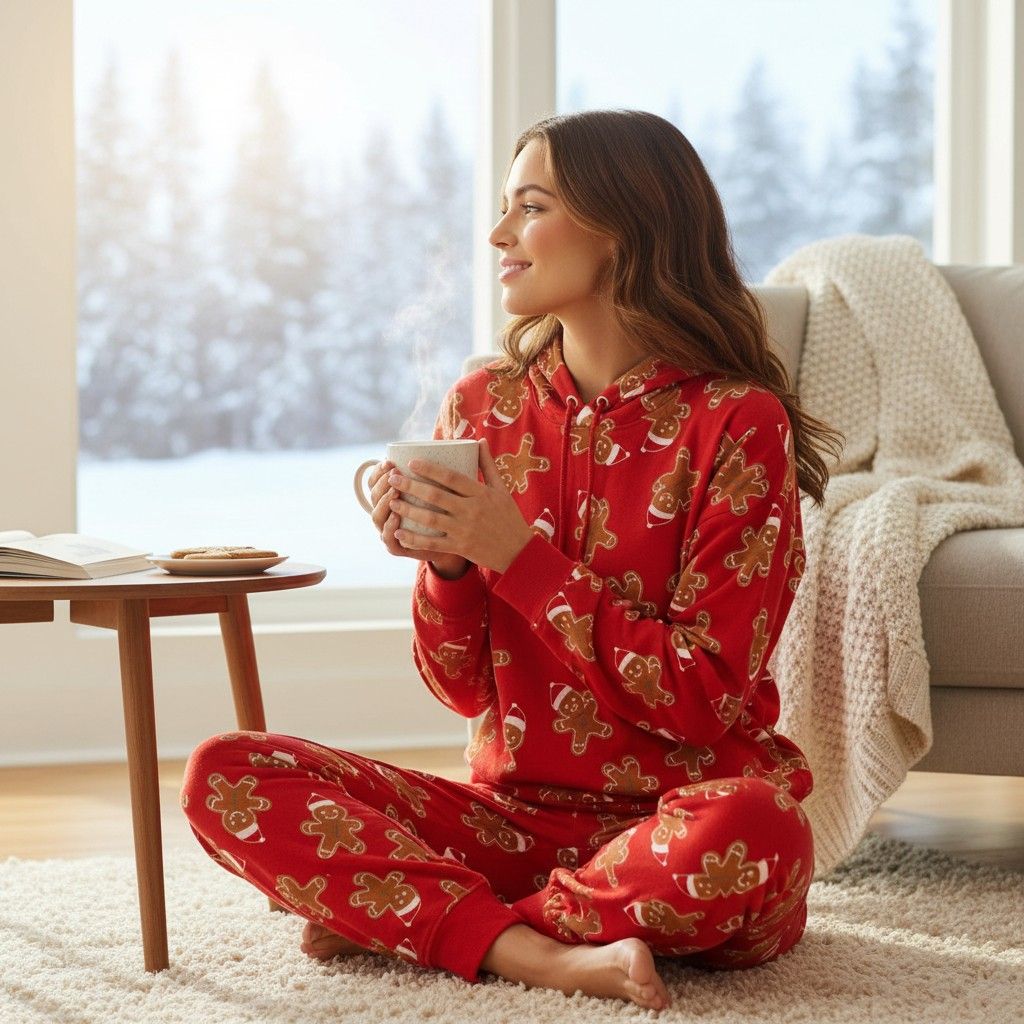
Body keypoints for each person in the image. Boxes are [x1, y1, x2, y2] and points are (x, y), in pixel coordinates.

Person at [180, 109, 844, 1012]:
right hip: (506, 819)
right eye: (503, 209)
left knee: (759, 827)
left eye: (529, 207)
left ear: (624, 230)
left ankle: (439, 922)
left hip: (676, 826)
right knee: (229, 770)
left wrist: (513, 553)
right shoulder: (482, 405)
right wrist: (449, 567)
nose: (498, 235)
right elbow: (459, 689)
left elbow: (699, 698)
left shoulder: (737, 423)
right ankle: (540, 952)